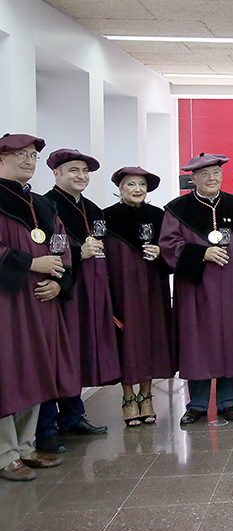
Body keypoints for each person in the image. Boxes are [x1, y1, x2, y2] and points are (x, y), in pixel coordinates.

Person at [160, 153, 233, 425]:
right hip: (196, 288)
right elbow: (168, 245)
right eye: (204, 174)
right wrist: (201, 254)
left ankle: (229, 403)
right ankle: (198, 405)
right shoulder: (177, 209)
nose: (212, 178)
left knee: (231, 340)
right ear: (193, 178)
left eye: (216, 172)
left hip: (232, 284)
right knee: (198, 343)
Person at [0, 133, 73, 481]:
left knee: (35, 370)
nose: (29, 161)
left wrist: (59, 279)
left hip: (41, 300)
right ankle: (4, 453)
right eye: (20, 155)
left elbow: (61, 246)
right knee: (9, 372)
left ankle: (27, 447)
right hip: (7, 302)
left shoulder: (42, 205)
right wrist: (31, 264)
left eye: (32, 155)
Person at [38, 148, 118, 453]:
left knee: (78, 351)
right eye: (73, 170)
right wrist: (76, 251)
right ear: (57, 173)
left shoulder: (92, 208)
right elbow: (49, 247)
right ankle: (48, 424)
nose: (80, 176)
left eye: (84, 171)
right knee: (59, 355)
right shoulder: (46, 206)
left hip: (91, 290)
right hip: (64, 291)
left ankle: (72, 415)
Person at [103, 167, 176, 427]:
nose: (137, 189)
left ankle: (146, 396)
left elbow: (171, 254)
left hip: (152, 287)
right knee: (127, 340)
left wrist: (161, 253)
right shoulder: (107, 218)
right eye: (131, 184)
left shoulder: (158, 216)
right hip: (122, 289)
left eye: (142, 184)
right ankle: (127, 397)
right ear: (120, 188)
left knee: (150, 338)